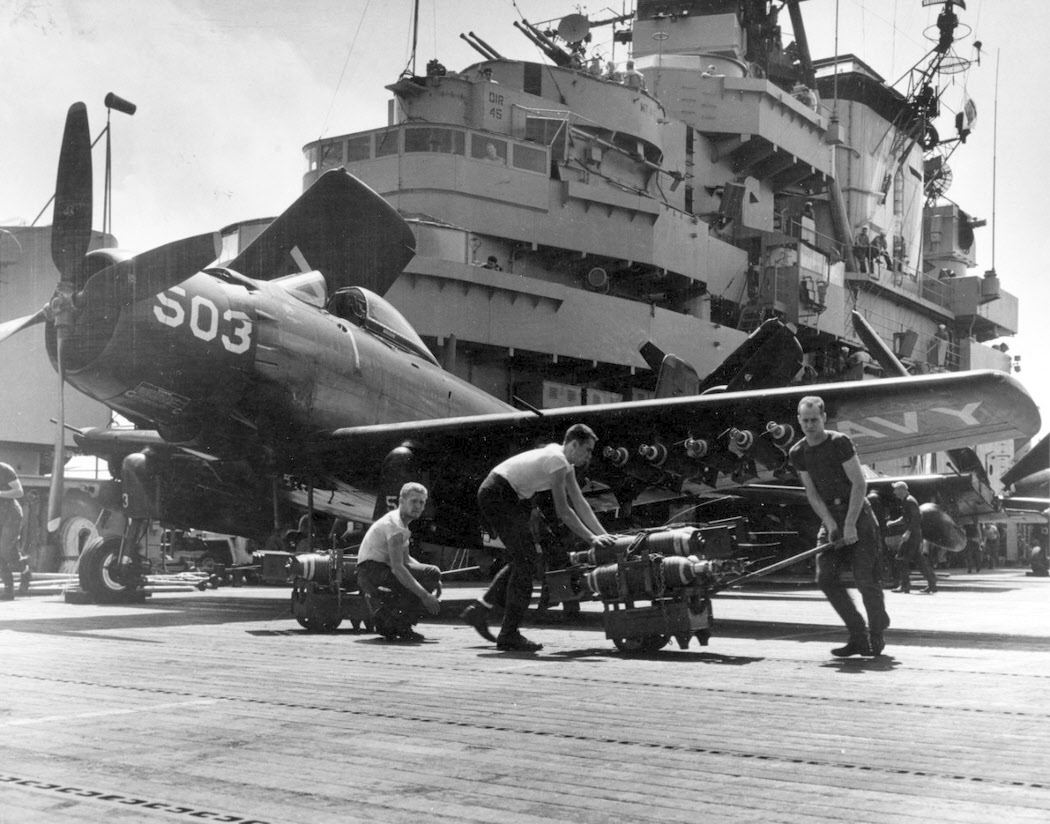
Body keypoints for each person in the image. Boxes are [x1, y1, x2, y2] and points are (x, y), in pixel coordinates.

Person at [461, 424, 616, 651]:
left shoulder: (563, 461)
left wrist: (604, 535)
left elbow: (580, 503)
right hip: (498, 493)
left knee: (521, 559)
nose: (589, 456)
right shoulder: (557, 461)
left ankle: (480, 610)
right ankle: (508, 634)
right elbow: (564, 510)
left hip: (504, 495)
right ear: (573, 444)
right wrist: (592, 539)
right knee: (526, 561)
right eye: (587, 450)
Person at [790, 396, 889, 657]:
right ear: (799, 420)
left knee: (865, 579)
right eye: (805, 420)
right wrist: (830, 523)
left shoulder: (839, 443)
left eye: (815, 420)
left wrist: (849, 524)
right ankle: (858, 634)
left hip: (857, 513)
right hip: (831, 515)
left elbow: (859, 484)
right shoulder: (798, 452)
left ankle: (876, 631)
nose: (810, 425)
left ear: (824, 418)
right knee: (825, 578)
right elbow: (811, 493)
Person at [355, 482, 441, 642]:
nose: (418, 506)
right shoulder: (395, 525)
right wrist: (425, 594)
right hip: (371, 571)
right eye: (413, 501)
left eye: (422, 502)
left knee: (431, 574)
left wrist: (434, 580)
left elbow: (407, 560)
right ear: (402, 501)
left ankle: (392, 620)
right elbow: (397, 567)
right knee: (431, 573)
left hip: (373, 571)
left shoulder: (401, 524)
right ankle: (393, 620)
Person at [885, 481, 937, 593]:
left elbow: (917, 517)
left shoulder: (909, 501)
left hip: (912, 535)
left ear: (902, 490)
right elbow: (905, 518)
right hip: (914, 534)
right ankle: (932, 584)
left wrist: (908, 532)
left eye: (895, 489)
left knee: (900, 558)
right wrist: (893, 522)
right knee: (918, 559)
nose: (894, 492)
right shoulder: (906, 501)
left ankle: (905, 585)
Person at [0, 462, 28, 600]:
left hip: (11, 514)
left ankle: (25, 572)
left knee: (4, 550)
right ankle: (8, 589)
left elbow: (19, 491)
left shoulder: (4, 469)